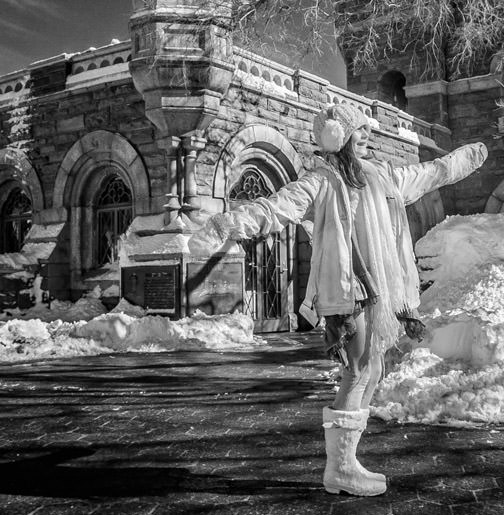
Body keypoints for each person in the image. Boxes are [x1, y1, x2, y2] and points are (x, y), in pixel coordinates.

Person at [192, 102, 487, 497]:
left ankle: (347, 461)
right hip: (348, 289)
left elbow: (432, 173)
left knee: (373, 368)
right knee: (359, 368)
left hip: (381, 288)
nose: (366, 134)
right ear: (340, 137)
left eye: (366, 128)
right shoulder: (322, 181)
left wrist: (467, 157)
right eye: (358, 130)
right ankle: (341, 468)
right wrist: (225, 224)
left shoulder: (382, 176)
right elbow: (275, 208)